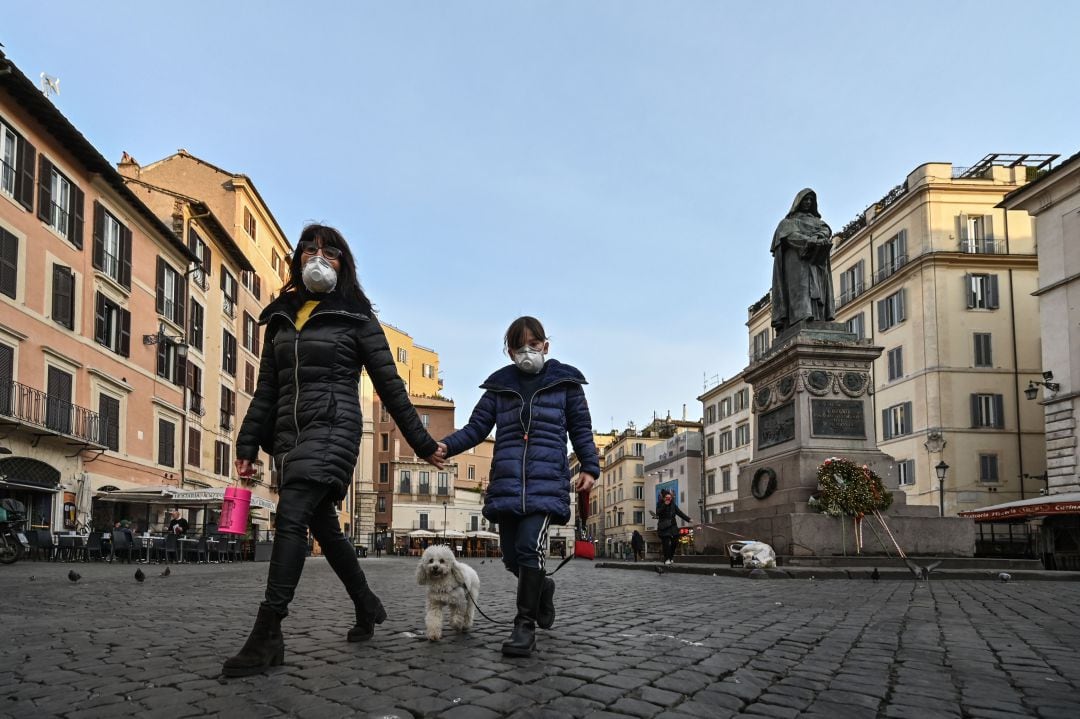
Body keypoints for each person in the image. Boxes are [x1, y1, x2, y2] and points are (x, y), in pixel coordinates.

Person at [223, 224, 445, 678]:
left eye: (330, 251)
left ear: (344, 264)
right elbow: (266, 390)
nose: (318, 257)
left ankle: (268, 632)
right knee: (326, 527)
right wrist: (247, 444)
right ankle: (367, 605)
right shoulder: (282, 318)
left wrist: (423, 445)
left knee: (291, 516)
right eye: (309, 249)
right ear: (297, 259)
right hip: (290, 436)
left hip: (336, 428)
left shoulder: (357, 317)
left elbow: (391, 387)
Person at [438, 316, 599, 658]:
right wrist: (446, 447)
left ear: (546, 346)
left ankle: (524, 626)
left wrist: (590, 466)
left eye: (534, 344)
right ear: (509, 352)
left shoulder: (565, 383)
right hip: (508, 484)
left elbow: (581, 428)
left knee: (529, 548)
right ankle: (544, 587)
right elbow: (476, 428)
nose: (528, 352)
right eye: (519, 346)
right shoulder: (500, 387)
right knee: (512, 558)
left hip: (545, 484)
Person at [770, 188, 834, 333]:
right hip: (797, 261)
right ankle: (801, 317)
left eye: (811, 200)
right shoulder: (787, 223)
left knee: (817, 288)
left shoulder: (818, 222)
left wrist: (818, 237)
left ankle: (818, 317)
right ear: (798, 202)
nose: (808, 202)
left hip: (816, 261)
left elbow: (826, 230)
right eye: (805, 199)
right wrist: (808, 240)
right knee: (801, 288)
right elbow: (791, 236)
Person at [655, 489, 691, 565]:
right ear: (664, 498)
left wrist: (689, 519)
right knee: (666, 542)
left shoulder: (673, 504)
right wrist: (665, 504)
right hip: (664, 526)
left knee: (675, 541)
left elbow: (680, 513)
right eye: (667, 498)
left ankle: (670, 557)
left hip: (673, 525)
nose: (669, 499)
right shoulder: (660, 504)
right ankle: (666, 559)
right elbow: (658, 513)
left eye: (670, 498)